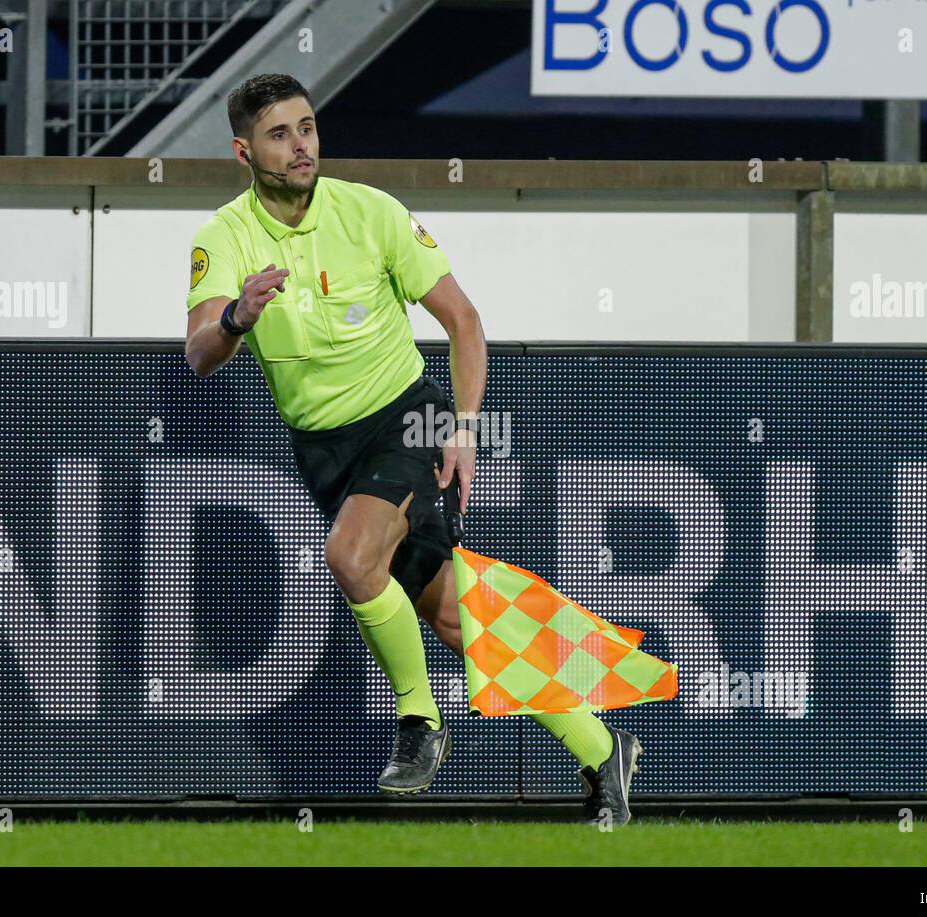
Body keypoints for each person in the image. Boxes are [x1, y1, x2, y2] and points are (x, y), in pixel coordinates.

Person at [184, 73, 642, 824]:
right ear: (244, 150)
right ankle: (602, 750)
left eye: (307, 128)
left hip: (409, 418)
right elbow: (200, 354)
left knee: (349, 555)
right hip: (325, 451)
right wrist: (236, 315)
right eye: (279, 134)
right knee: (461, 620)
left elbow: (463, 321)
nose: (300, 145)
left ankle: (421, 721)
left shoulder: (371, 211)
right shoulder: (224, 237)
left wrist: (462, 426)